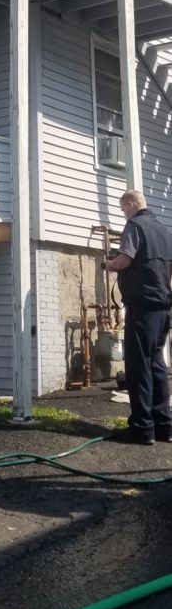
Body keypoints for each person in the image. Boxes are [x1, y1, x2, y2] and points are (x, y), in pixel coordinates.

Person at [103, 190, 172, 445]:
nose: (124, 214)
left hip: (142, 307)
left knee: (138, 366)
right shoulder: (164, 230)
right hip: (163, 307)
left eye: (123, 209)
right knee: (156, 365)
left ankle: (142, 428)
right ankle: (164, 426)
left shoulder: (135, 225)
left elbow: (124, 260)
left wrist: (108, 264)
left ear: (131, 204)